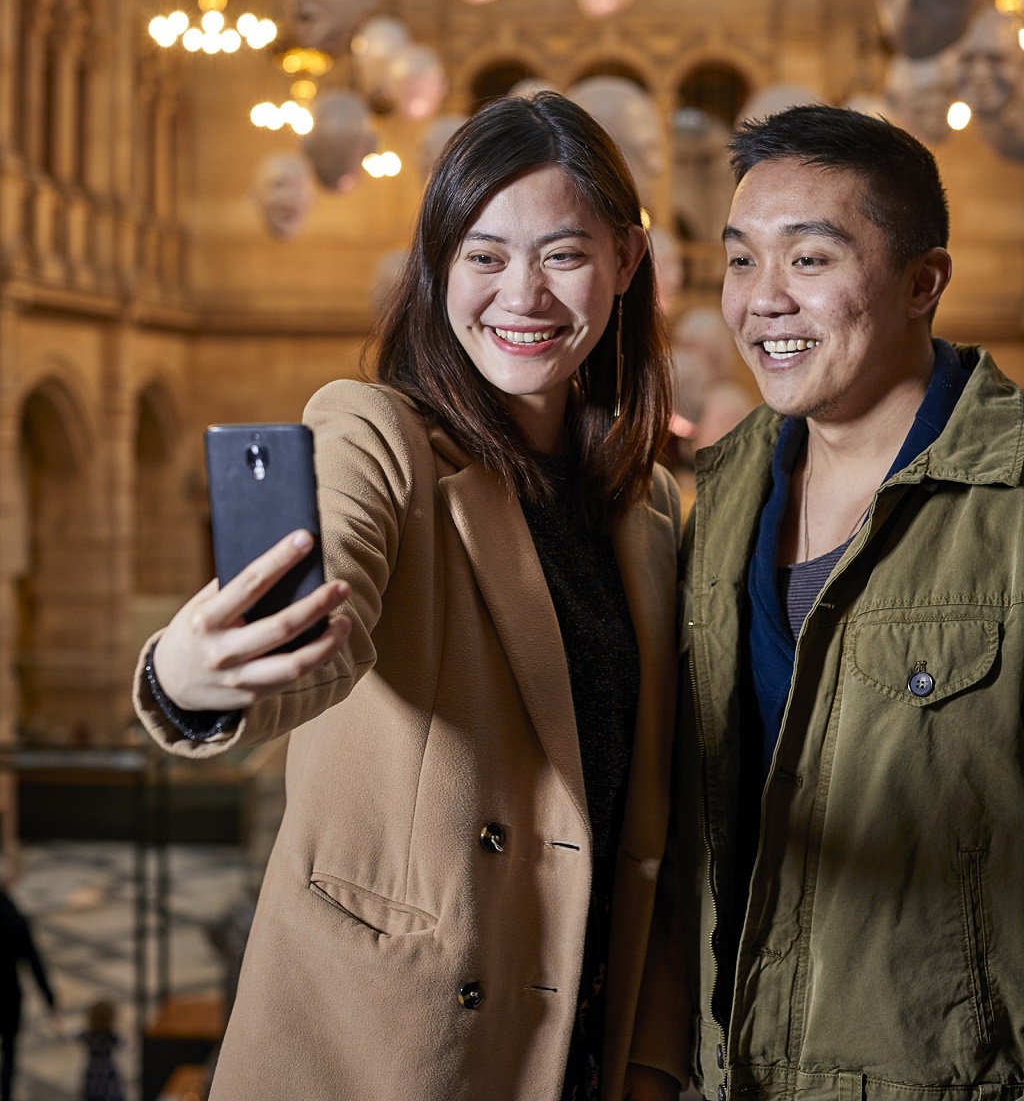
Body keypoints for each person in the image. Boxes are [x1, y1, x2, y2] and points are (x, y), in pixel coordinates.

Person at [133, 94, 690, 1101]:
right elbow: (327, 610)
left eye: (562, 254)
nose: (521, 294)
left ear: (626, 260)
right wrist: (198, 676)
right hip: (398, 1050)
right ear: (439, 269)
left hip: (582, 1048)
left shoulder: (647, 507)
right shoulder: (374, 435)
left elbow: (655, 821)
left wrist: (649, 1057)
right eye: (483, 255)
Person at [676, 104, 1024, 1100]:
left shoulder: (1007, 504)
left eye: (810, 261)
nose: (762, 302)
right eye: (740, 261)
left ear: (923, 282)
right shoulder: (721, 495)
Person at [0, 864, 57, 1101]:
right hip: (8, 995)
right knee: (10, 1052)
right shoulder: (14, 918)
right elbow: (33, 962)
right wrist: (49, 1001)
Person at [79, 1000, 126, 1101]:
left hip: (93, 1072)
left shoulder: (89, 1036)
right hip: (107, 1072)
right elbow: (123, 1044)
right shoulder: (110, 1037)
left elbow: (72, 1037)